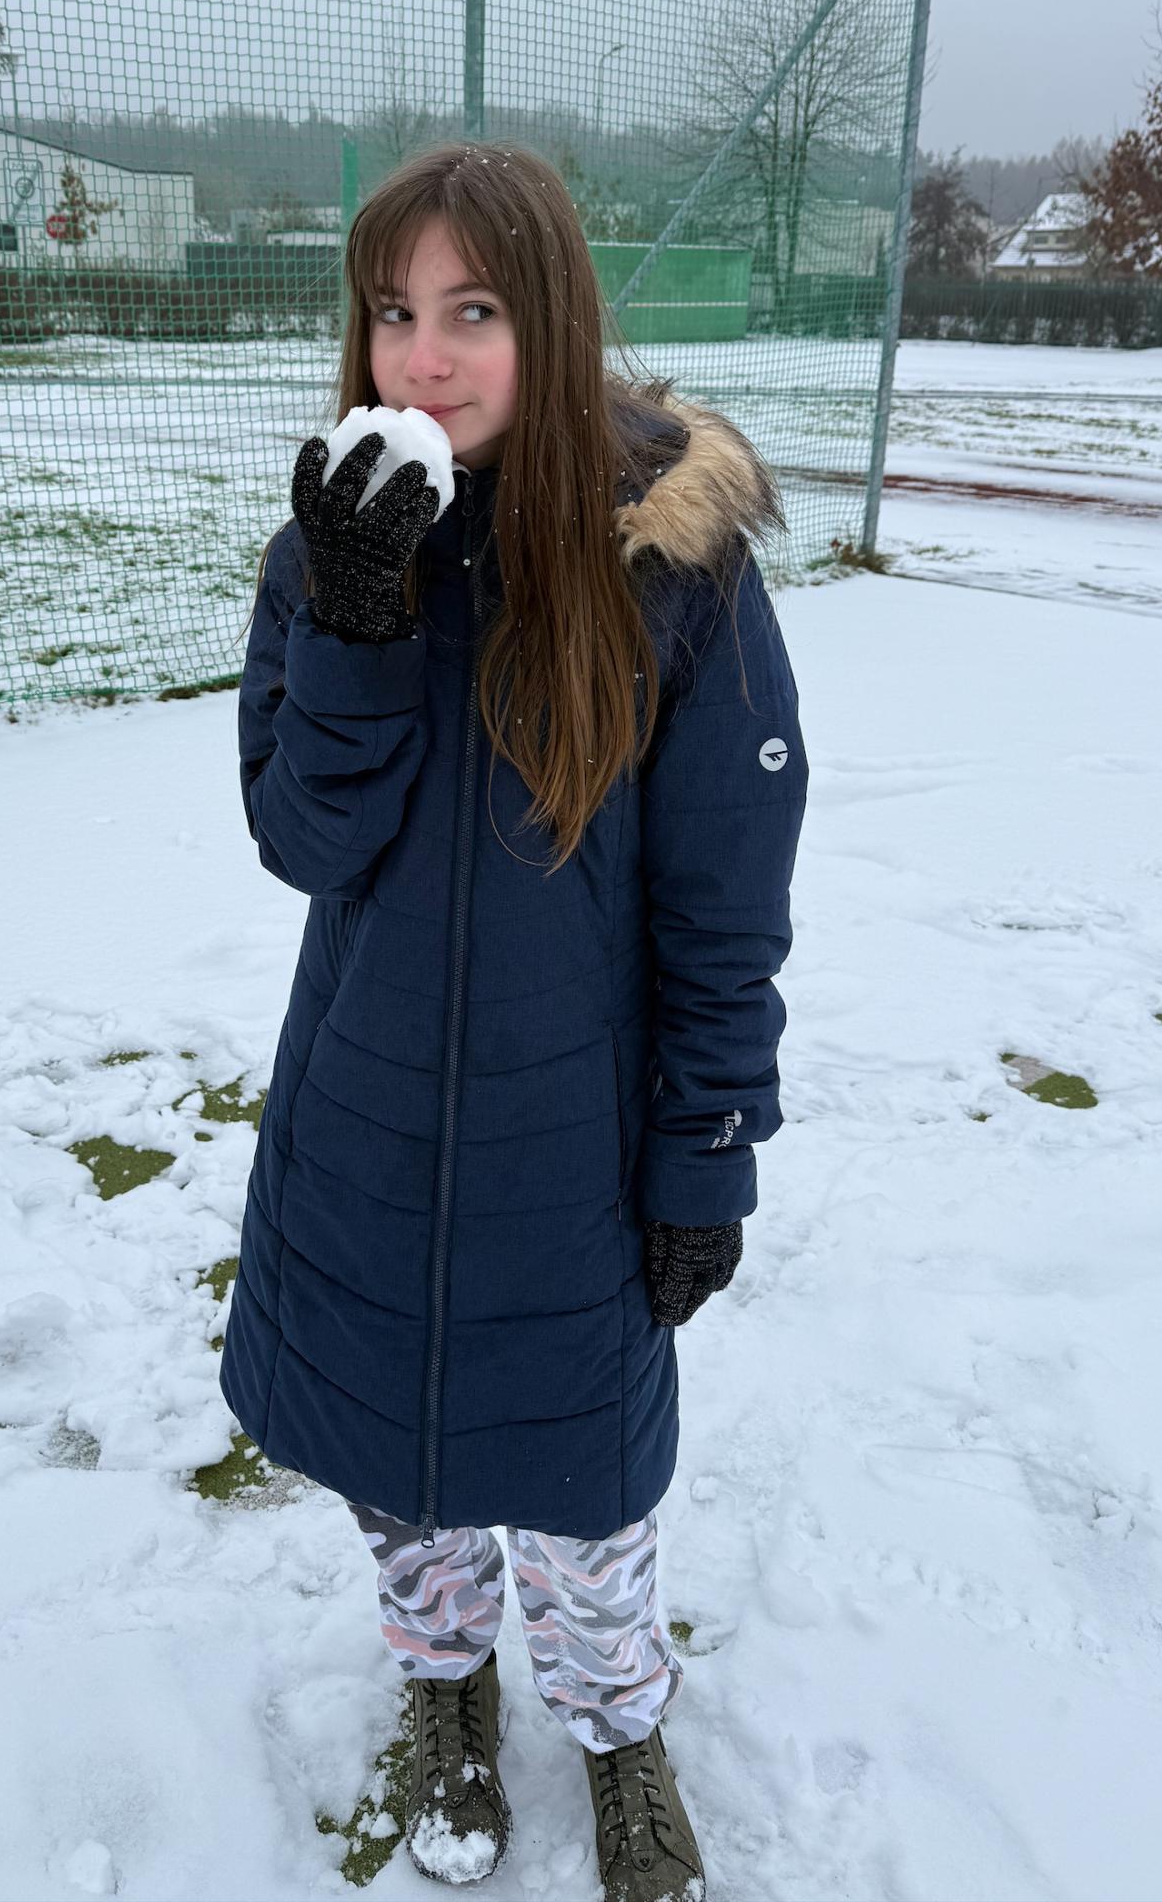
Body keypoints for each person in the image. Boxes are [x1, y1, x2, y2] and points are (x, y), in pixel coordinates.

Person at [220, 142, 808, 1900]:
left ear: (550, 320)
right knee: (397, 1482)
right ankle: (447, 1691)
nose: (423, 357)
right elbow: (306, 840)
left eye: (472, 310)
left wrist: (706, 1151)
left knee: (586, 1501)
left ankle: (621, 1730)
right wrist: (356, 619)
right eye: (391, 311)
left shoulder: (671, 575)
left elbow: (723, 900)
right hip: (366, 1127)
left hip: (574, 1153)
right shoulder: (328, 554)